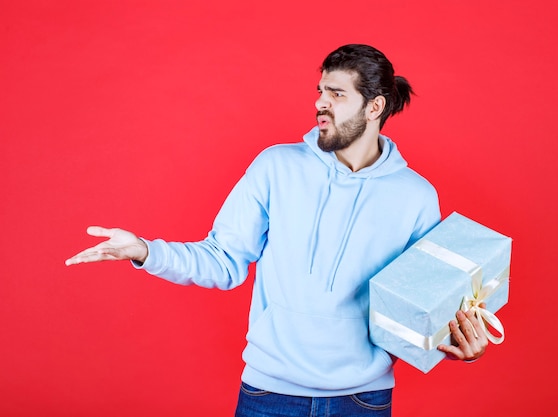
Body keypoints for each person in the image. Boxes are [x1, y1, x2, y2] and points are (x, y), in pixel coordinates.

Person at [65, 44, 488, 416]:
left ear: (374, 107)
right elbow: (223, 261)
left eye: (336, 94)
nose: (320, 103)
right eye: (320, 92)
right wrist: (144, 251)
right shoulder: (276, 167)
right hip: (271, 392)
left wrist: (459, 344)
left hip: (363, 400)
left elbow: (423, 307)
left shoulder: (415, 195)